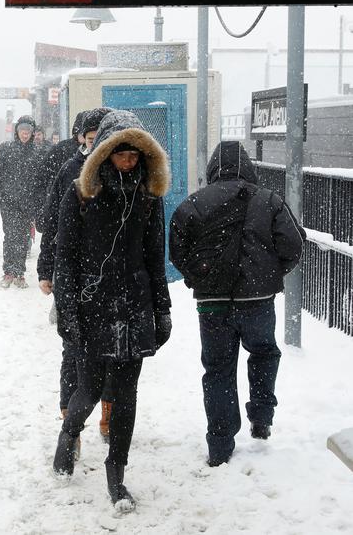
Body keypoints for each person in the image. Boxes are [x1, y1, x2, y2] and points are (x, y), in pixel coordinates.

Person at [51, 110, 172, 512]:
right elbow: (64, 256)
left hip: (133, 306)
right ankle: (69, 434)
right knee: (88, 387)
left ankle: (116, 474)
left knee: (127, 393)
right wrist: (67, 309)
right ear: (104, 154)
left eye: (136, 154)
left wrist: (163, 309)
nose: (129, 161)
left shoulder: (148, 197)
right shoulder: (80, 194)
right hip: (92, 306)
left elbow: (156, 257)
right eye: (121, 153)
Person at [169, 140, 304, 467]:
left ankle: (219, 443)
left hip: (212, 304)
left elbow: (177, 248)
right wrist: (270, 274)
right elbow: (293, 245)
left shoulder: (194, 204)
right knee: (263, 352)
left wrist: (197, 277)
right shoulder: (268, 201)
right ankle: (261, 414)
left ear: (213, 168)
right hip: (257, 299)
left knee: (217, 370)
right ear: (248, 166)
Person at [36, 107, 113, 438]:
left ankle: (109, 417)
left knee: (114, 353)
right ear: (81, 137)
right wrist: (45, 268)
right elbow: (52, 224)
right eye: (91, 137)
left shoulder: (124, 169)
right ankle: (72, 422)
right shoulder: (71, 170)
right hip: (75, 276)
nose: (95, 144)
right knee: (73, 349)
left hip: (112, 279)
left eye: (102, 138)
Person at [0, 116, 43, 288]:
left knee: (24, 237)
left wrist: (41, 201)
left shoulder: (37, 152)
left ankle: (20, 273)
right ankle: (9, 272)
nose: (25, 134)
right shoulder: (5, 149)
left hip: (28, 202)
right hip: (8, 201)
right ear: (17, 132)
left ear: (32, 133)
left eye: (28, 131)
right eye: (22, 131)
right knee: (10, 235)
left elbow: (41, 180)